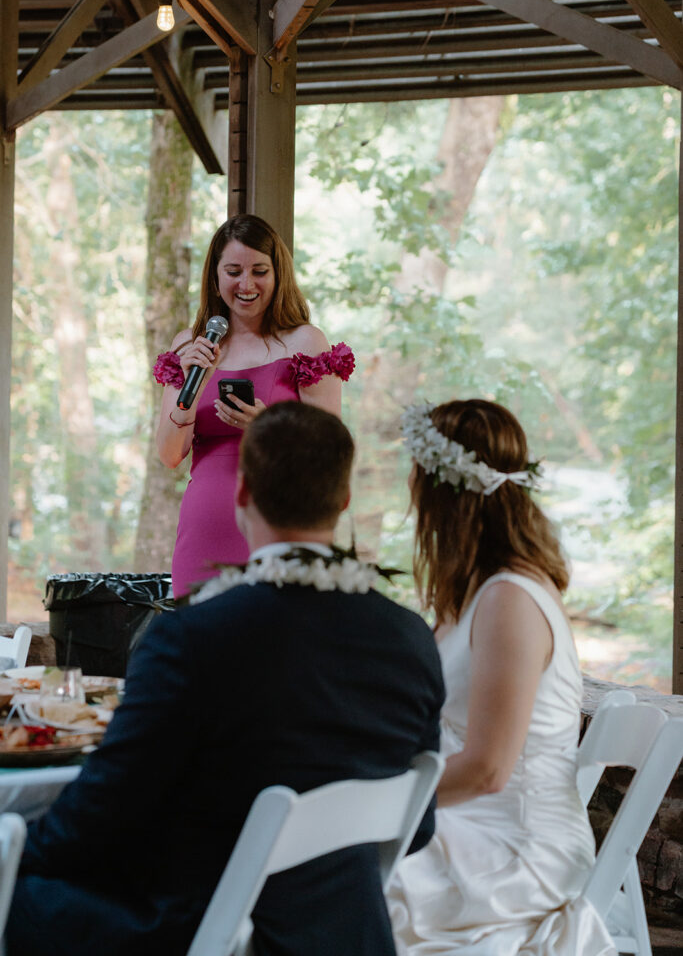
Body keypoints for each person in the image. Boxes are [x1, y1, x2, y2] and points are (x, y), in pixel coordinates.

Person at [7, 402, 444, 956]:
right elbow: (419, 828)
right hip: (347, 931)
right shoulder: (408, 638)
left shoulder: (191, 637)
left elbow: (102, 812)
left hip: (206, 930)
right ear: (344, 501)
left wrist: (14, 851)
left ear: (242, 494)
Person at [388, 399, 616, 956]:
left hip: (510, 846)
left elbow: (489, 770)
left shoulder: (510, 600)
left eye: (418, 478)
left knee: (323, 880)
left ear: (444, 492)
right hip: (465, 824)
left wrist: (378, 797)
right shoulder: (472, 594)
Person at [153, 213, 355, 598]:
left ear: (277, 274)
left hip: (280, 529)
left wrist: (271, 428)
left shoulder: (306, 343)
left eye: (259, 270)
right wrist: (192, 388)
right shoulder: (189, 346)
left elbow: (330, 456)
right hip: (203, 532)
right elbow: (169, 454)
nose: (246, 284)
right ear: (215, 277)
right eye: (233, 271)